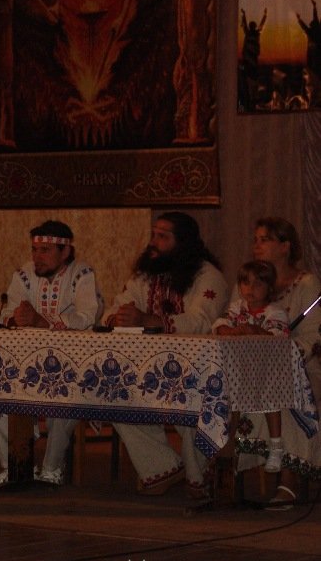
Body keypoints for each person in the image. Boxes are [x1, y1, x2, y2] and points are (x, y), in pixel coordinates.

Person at [104, 212, 228, 498]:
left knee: (189, 400)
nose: (153, 242)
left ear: (182, 242)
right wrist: (119, 317)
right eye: (154, 235)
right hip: (145, 367)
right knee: (115, 394)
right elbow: (114, 307)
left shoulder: (208, 276)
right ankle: (163, 468)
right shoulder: (145, 275)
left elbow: (202, 321)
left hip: (196, 368)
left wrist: (151, 320)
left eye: (163, 237)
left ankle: (199, 475)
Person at [0, 220, 103, 487]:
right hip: (27, 362)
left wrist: (43, 321)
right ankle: (14, 467)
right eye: (34, 250)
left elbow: (87, 316)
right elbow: (7, 313)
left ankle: (52, 468)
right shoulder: (24, 274)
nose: (37, 256)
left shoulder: (82, 274)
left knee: (66, 396)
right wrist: (15, 318)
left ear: (65, 252)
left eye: (45, 250)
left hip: (73, 364)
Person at [236, 217, 321, 508]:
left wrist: (282, 356)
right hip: (251, 368)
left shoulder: (306, 284)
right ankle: (219, 476)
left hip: (300, 368)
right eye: (255, 240)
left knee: (286, 397)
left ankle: (289, 479)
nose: (257, 245)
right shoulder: (249, 280)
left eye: (265, 240)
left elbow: (313, 336)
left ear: (285, 247)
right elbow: (233, 319)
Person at [212, 260, 289, 472]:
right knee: (220, 391)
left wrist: (254, 330)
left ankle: (276, 446)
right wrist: (232, 331)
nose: (250, 289)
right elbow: (219, 325)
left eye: (258, 284)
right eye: (246, 283)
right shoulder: (237, 308)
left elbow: (277, 337)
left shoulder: (275, 312)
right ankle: (224, 451)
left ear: (269, 288)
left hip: (268, 369)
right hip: (240, 370)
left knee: (270, 396)